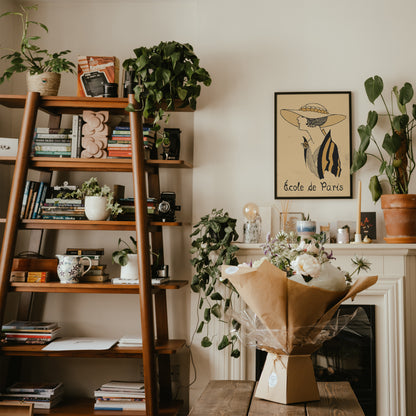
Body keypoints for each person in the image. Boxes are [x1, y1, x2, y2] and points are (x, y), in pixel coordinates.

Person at [280, 103, 346, 179]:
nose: (298, 118)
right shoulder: (306, 144)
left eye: (301, 116)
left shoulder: (331, 147)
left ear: (312, 120)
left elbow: (335, 176)